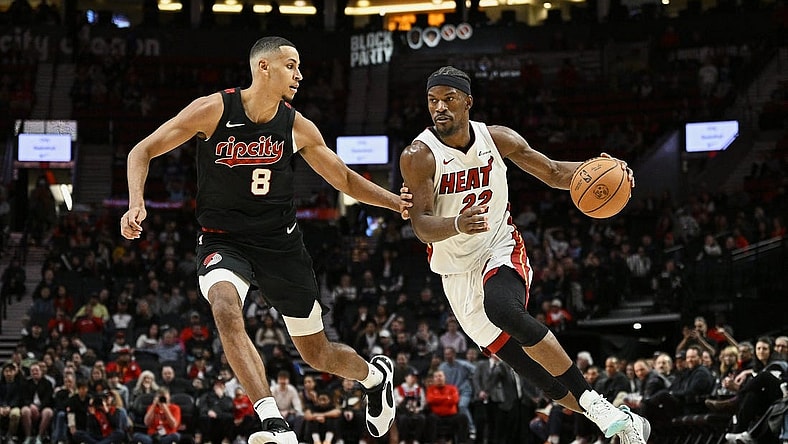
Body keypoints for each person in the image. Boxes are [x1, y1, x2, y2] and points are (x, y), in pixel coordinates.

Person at [120, 36, 400, 444]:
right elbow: (141, 151)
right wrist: (134, 203)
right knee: (225, 309)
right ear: (263, 67)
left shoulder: (296, 125)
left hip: (281, 245)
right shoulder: (213, 110)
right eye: (291, 65)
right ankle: (273, 421)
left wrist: (398, 204)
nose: (299, 75)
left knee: (318, 355)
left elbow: (343, 179)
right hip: (223, 241)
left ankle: (376, 377)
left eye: (300, 67)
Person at [398, 66, 649, 444]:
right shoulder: (419, 155)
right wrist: (457, 225)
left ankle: (596, 404)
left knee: (503, 309)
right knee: (543, 381)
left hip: (498, 244)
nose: (440, 108)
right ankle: (621, 419)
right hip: (454, 270)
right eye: (433, 101)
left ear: (468, 101)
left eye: (449, 99)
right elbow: (421, 224)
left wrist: (602, 171)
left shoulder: (497, 139)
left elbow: (551, 172)